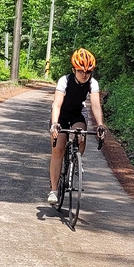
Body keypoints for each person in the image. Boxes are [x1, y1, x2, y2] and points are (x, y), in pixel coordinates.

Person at [48, 48, 106, 205]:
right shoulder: (64, 81)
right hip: (61, 114)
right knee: (58, 149)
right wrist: (55, 124)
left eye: (88, 72)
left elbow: (95, 105)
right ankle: (54, 190)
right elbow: (57, 104)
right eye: (81, 71)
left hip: (77, 113)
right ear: (74, 70)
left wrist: (100, 125)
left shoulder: (92, 83)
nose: (84, 75)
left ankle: (75, 161)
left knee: (81, 137)